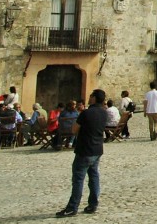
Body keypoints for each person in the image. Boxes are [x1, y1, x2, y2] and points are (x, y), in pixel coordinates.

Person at [56, 88, 107, 218]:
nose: (89, 97)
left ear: (94, 98)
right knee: (94, 177)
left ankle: (72, 207)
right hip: (97, 149)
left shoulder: (86, 113)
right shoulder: (104, 112)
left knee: (78, 179)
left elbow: (73, 129)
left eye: (91, 96)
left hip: (85, 149)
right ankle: (93, 204)